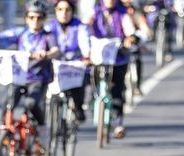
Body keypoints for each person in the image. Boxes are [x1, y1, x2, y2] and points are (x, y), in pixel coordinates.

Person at [0, 0, 60, 150]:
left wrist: (46, 54)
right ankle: (5, 129)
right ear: (26, 18)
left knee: (31, 103)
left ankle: (42, 129)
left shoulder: (48, 36)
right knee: (8, 100)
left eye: (39, 18)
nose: (35, 21)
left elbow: (56, 50)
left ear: (44, 19)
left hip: (38, 78)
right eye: (32, 17)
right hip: (20, 77)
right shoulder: (21, 33)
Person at [87, 0, 138, 138]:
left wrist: (129, 39)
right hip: (99, 58)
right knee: (93, 84)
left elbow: (130, 31)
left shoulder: (122, 13)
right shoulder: (95, 11)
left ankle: (118, 121)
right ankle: (94, 106)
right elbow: (85, 26)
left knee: (117, 91)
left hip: (118, 58)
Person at [46, 0, 90, 122]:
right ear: (55, 11)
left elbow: (85, 43)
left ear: (72, 11)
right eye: (60, 9)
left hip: (75, 65)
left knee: (79, 84)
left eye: (67, 10)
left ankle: (78, 107)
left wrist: (86, 56)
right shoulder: (49, 27)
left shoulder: (80, 26)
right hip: (56, 66)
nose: (64, 13)